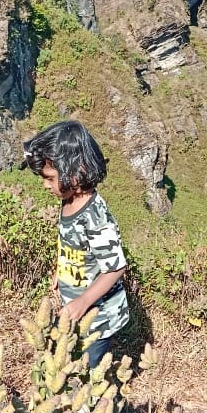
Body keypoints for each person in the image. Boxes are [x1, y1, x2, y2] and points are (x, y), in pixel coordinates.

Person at [22, 120, 129, 368]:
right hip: (77, 306)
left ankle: (99, 405)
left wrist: (82, 302)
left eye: (49, 178)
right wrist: (61, 270)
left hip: (98, 315)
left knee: (90, 370)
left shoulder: (95, 218)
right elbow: (71, 244)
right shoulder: (70, 200)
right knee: (72, 357)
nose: (45, 185)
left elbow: (115, 267)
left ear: (77, 171)